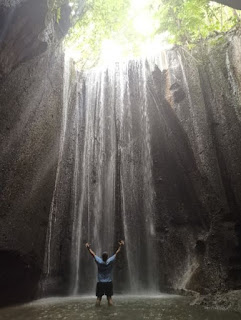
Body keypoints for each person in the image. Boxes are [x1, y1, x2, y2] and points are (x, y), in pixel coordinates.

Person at [85, 240, 124, 306]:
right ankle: (111, 311)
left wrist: (88, 248)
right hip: (108, 282)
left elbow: (93, 254)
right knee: (109, 298)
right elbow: (117, 253)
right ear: (107, 257)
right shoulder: (110, 261)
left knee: (99, 298)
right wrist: (120, 246)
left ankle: (97, 311)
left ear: (102, 257)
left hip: (100, 282)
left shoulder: (99, 261)